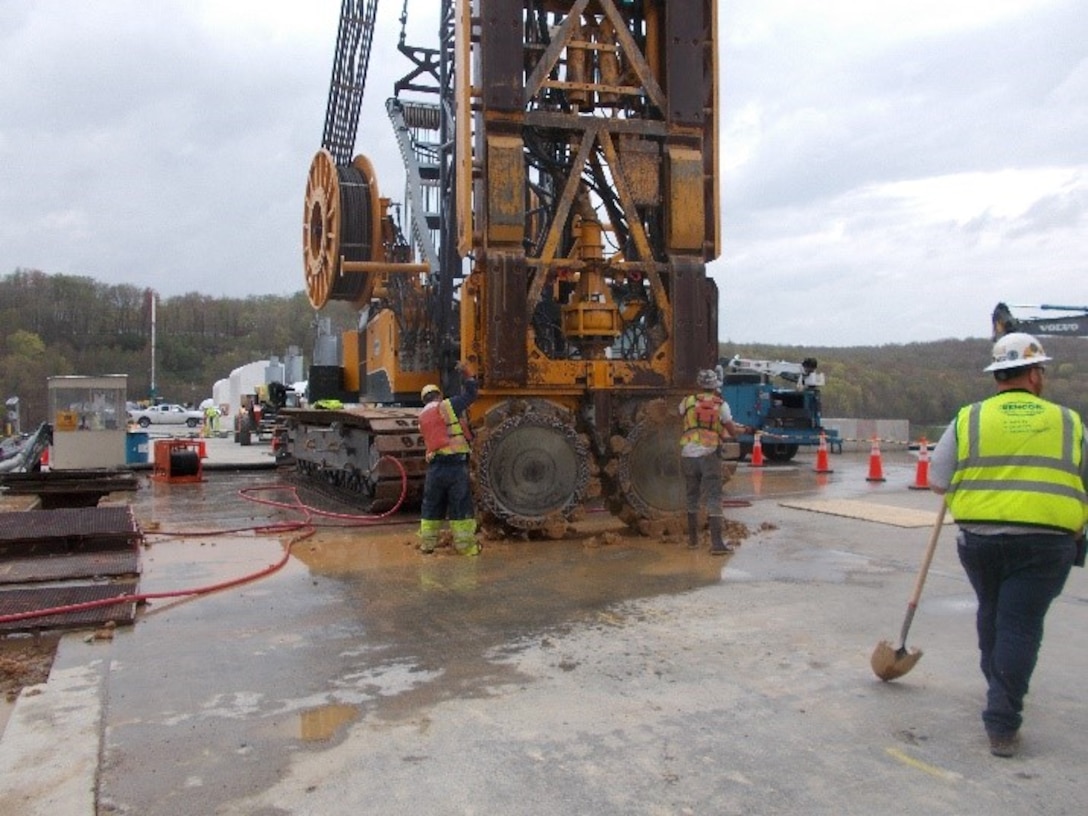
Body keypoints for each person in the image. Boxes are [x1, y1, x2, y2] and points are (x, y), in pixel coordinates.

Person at [929, 332, 1087, 758]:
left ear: (997, 374)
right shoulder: (1069, 421)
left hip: (980, 541)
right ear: (1035, 374)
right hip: (1046, 542)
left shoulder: (970, 418)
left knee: (994, 614)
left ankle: (1000, 685)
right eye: (1042, 370)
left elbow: (937, 479)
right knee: (1019, 624)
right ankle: (1002, 719)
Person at [678, 368, 749, 555]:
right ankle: (717, 544)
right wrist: (740, 430)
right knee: (714, 496)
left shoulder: (686, 402)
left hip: (688, 453)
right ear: (715, 386)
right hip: (709, 454)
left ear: (699, 385)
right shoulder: (721, 405)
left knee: (692, 496)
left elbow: (686, 419)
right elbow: (731, 431)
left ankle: (693, 541)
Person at [418, 361, 480, 556]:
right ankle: (466, 547)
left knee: (431, 507)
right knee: (460, 505)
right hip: (455, 466)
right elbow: (471, 395)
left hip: (435, 469)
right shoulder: (447, 405)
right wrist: (469, 376)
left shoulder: (422, 416)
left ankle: (427, 545)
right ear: (439, 395)